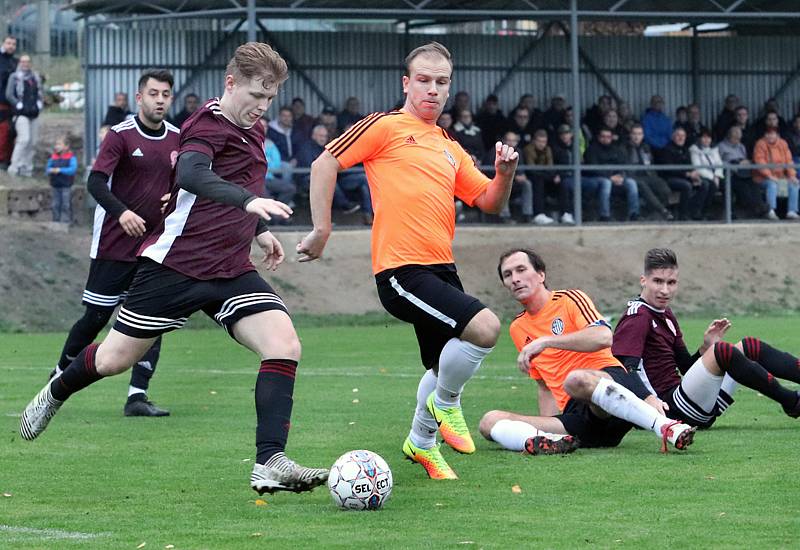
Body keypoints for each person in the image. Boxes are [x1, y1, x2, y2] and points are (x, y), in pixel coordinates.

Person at [20, 43, 329, 495]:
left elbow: (240, 184)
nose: (261, 107)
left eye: (269, 98)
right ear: (230, 84)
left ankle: (269, 462)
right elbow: (190, 174)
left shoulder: (254, 129)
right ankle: (56, 391)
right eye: (255, 96)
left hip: (228, 267)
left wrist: (258, 227)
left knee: (284, 344)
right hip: (176, 266)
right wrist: (248, 201)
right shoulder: (207, 123)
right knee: (112, 359)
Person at [298, 41, 519, 480]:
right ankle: (447, 405)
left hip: (442, 267)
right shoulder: (385, 127)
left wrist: (505, 173)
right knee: (486, 328)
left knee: (442, 365)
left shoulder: (449, 146)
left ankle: (421, 442)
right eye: (423, 80)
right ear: (406, 83)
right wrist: (323, 230)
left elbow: (488, 201)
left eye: (441, 82)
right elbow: (325, 163)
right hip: (401, 270)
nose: (432, 90)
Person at [47, 69, 179, 417]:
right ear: (139, 98)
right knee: (95, 317)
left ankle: (137, 396)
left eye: (166, 94)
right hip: (114, 244)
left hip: (154, 246)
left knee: (152, 319)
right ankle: (57, 378)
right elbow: (95, 183)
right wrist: (122, 213)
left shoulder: (178, 139)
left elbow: (184, 182)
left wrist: (173, 197)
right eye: (153, 93)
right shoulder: (120, 135)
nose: (160, 100)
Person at [478, 248, 696, 455]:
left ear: (541, 275)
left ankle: (666, 427)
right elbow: (544, 386)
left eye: (521, 270)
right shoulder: (518, 328)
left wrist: (546, 341)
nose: (515, 278)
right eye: (508, 275)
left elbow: (603, 336)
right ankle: (548, 441)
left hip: (609, 390)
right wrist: (552, 422)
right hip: (579, 419)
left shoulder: (569, 299)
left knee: (576, 380)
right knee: (489, 421)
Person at [612, 248, 800, 429]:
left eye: (671, 283)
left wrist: (705, 347)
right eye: (658, 281)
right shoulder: (637, 316)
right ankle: (792, 401)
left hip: (690, 403)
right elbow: (624, 369)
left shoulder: (666, 314)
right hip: (669, 410)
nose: (665, 290)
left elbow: (685, 366)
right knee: (722, 352)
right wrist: (649, 400)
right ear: (643, 280)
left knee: (748, 346)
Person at [582, 127, 640, 221]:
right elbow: (593, 168)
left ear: (612, 137)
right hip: (598, 178)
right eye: (603, 136)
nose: (606, 139)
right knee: (606, 183)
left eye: (608, 137)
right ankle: (604, 215)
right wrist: (610, 177)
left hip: (617, 177)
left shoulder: (617, 149)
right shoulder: (591, 150)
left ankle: (634, 214)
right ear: (598, 137)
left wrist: (621, 176)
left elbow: (624, 164)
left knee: (631, 183)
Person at [655, 127, 709, 221]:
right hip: (669, 178)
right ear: (673, 137)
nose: (681, 138)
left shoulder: (685, 150)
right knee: (686, 186)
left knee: (705, 184)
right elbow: (669, 169)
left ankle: (695, 212)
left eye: (683, 136)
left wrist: (694, 175)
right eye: (678, 135)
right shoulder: (666, 149)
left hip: (685, 177)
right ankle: (682, 215)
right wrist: (687, 175)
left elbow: (690, 166)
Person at [717, 125, 769, 219]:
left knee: (754, 182)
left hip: (744, 172)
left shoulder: (741, 146)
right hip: (730, 173)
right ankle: (754, 208)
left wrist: (746, 162)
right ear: (729, 136)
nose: (737, 140)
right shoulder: (721, 146)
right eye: (735, 138)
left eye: (739, 138)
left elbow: (745, 159)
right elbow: (718, 162)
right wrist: (734, 164)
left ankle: (761, 205)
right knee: (743, 187)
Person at [625, 123, 673, 220]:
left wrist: (655, 177)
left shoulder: (646, 147)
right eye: (634, 134)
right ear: (630, 135)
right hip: (632, 176)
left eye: (639, 134)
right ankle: (663, 210)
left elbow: (651, 163)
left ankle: (652, 212)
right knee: (642, 185)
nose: (636, 136)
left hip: (647, 175)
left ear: (643, 136)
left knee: (664, 188)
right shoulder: (624, 147)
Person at [6, 54, 43, 177]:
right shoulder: (14, 77)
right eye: (23, 61)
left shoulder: (35, 77)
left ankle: (27, 168)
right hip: (21, 113)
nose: (25, 64)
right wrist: (17, 104)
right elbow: (9, 94)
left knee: (33, 142)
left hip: (33, 112)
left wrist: (39, 103)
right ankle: (14, 166)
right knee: (24, 139)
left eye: (27, 61)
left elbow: (40, 92)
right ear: (19, 63)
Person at [752, 127, 800, 220]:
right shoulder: (760, 144)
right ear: (764, 135)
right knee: (772, 184)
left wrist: (792, 176)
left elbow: (789, 161)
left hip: (780, 177)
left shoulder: (783, 144)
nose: (770, 136)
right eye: (768, 134)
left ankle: (792, 211)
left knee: (794, 184)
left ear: (777, 135)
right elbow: (760, 162)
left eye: (773, 134)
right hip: (762, 178)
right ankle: (771, 211)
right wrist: (770, 176)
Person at [688, 128, 722, 219]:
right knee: (707, 185)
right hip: (702, 175)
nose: (706, 139)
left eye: (709, 137)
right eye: (704, 137)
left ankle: (726, 212)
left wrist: (717, 176)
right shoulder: (694, 149)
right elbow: (698, 167)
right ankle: (698, 211)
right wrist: (712, 178)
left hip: (715, 176)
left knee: (728, 184)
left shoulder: (714, 149)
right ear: (699, 139)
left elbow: (719, 164)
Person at [46, 136, 78, 224]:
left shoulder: (71, 157)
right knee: (55, 204)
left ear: (66, 146)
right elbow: (47, 169)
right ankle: (56, 221)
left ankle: (66, 222)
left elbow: (72, 170)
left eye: (59, 144)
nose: (57, 146)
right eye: (56, 144)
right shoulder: (53, 157)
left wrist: (60, 170)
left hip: (66, 186)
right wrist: (50, 170)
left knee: (66, 204)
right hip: (55, 185)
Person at [0, 35, 18, 169]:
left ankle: (7, 159)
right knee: (4, 130)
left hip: (11, 103)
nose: (11, 46)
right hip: (2, 102)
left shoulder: (15, 62)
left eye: (13, 44)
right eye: (8, 43)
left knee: (10, 132)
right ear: (3, 44)